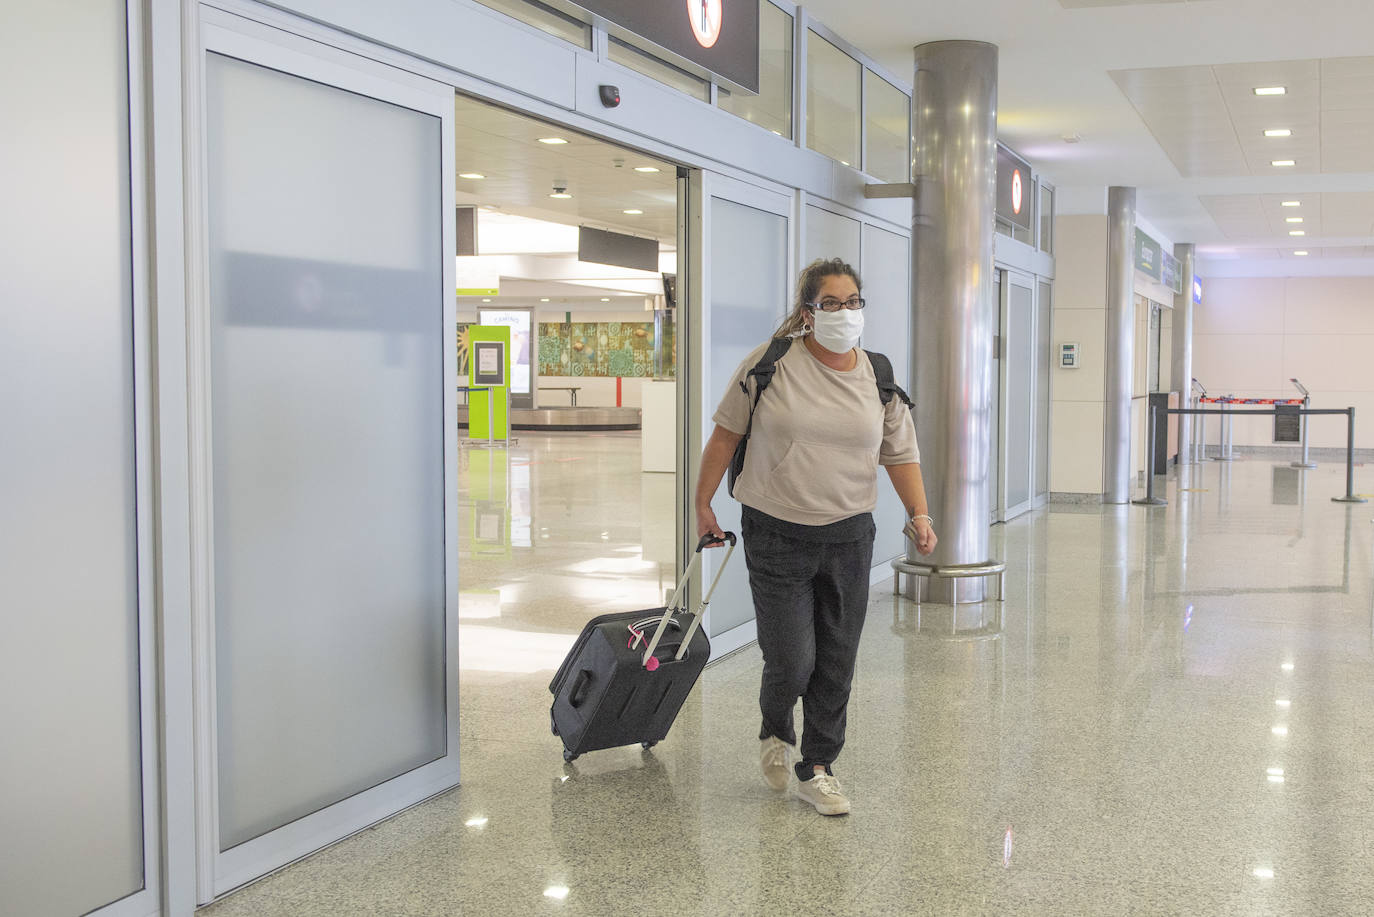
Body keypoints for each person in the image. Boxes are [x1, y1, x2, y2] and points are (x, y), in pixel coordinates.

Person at [695, 257, 936, 816]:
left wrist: (919, 515)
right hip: (776, 529)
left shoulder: (877, 375)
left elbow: (901, 454)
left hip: (850, 534)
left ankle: (818, 766)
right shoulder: (771, 363)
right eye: (831, 303)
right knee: (791, 659)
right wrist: (702, 503)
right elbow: (725, 436)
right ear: (808, 312)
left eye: (853, 302)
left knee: (836, 658)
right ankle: (776, 729)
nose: (845, 312)